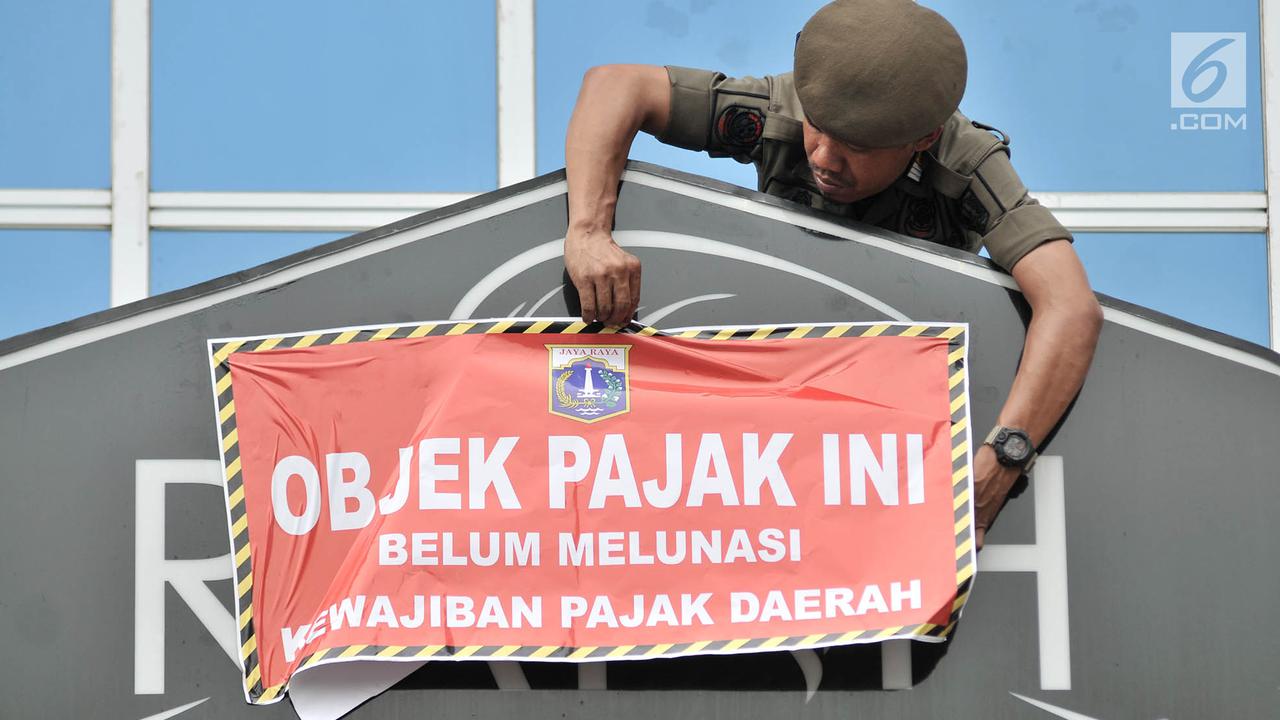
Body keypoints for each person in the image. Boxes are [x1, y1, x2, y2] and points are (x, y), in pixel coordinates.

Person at [561, 0, 1102, 548]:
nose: (823, 157)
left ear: (924, 137)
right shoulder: (782, 109)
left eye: (858, 147)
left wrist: (996, 468)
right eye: (818, 129)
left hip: (906, 425)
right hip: (787, 417)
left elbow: (1070, 307)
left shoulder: (966, 165)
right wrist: (587, 231)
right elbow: (616, 86)